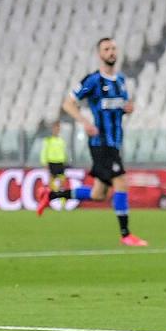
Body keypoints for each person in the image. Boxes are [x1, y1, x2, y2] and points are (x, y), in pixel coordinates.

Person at [36, 37, 147, 246]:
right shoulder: (93, 80)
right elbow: (68, 103)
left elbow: (117, 107)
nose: (111, 52)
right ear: (100, 54)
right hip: (101, 143)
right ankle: (126, 235)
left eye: (114, 48)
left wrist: (126, 110)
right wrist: (84, 121)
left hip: (114, 142)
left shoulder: (121, 80)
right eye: (107, 49)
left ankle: (51, 195)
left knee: (98, 194)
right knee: (121, 181)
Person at [40, 121, 69, 193]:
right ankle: (52, 195)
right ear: (52, 129)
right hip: (52, 161)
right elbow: (44, 151)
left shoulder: (61, 140)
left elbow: (64, 151)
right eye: (56, 128)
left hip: (60, 161)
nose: (57, 130)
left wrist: (66, 160)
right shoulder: (48, 140)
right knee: (52, 180)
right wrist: (44, 162)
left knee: (62, 180)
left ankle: (60, 195)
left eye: (58, 128)